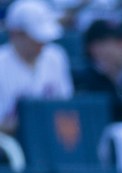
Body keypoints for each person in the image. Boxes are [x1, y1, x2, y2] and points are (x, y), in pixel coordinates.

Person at [0, 0, 74, 135]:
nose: (41, 44)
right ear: (16, 34)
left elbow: (66, 106)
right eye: (35, 38)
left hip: (52, 138)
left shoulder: (56, 57)